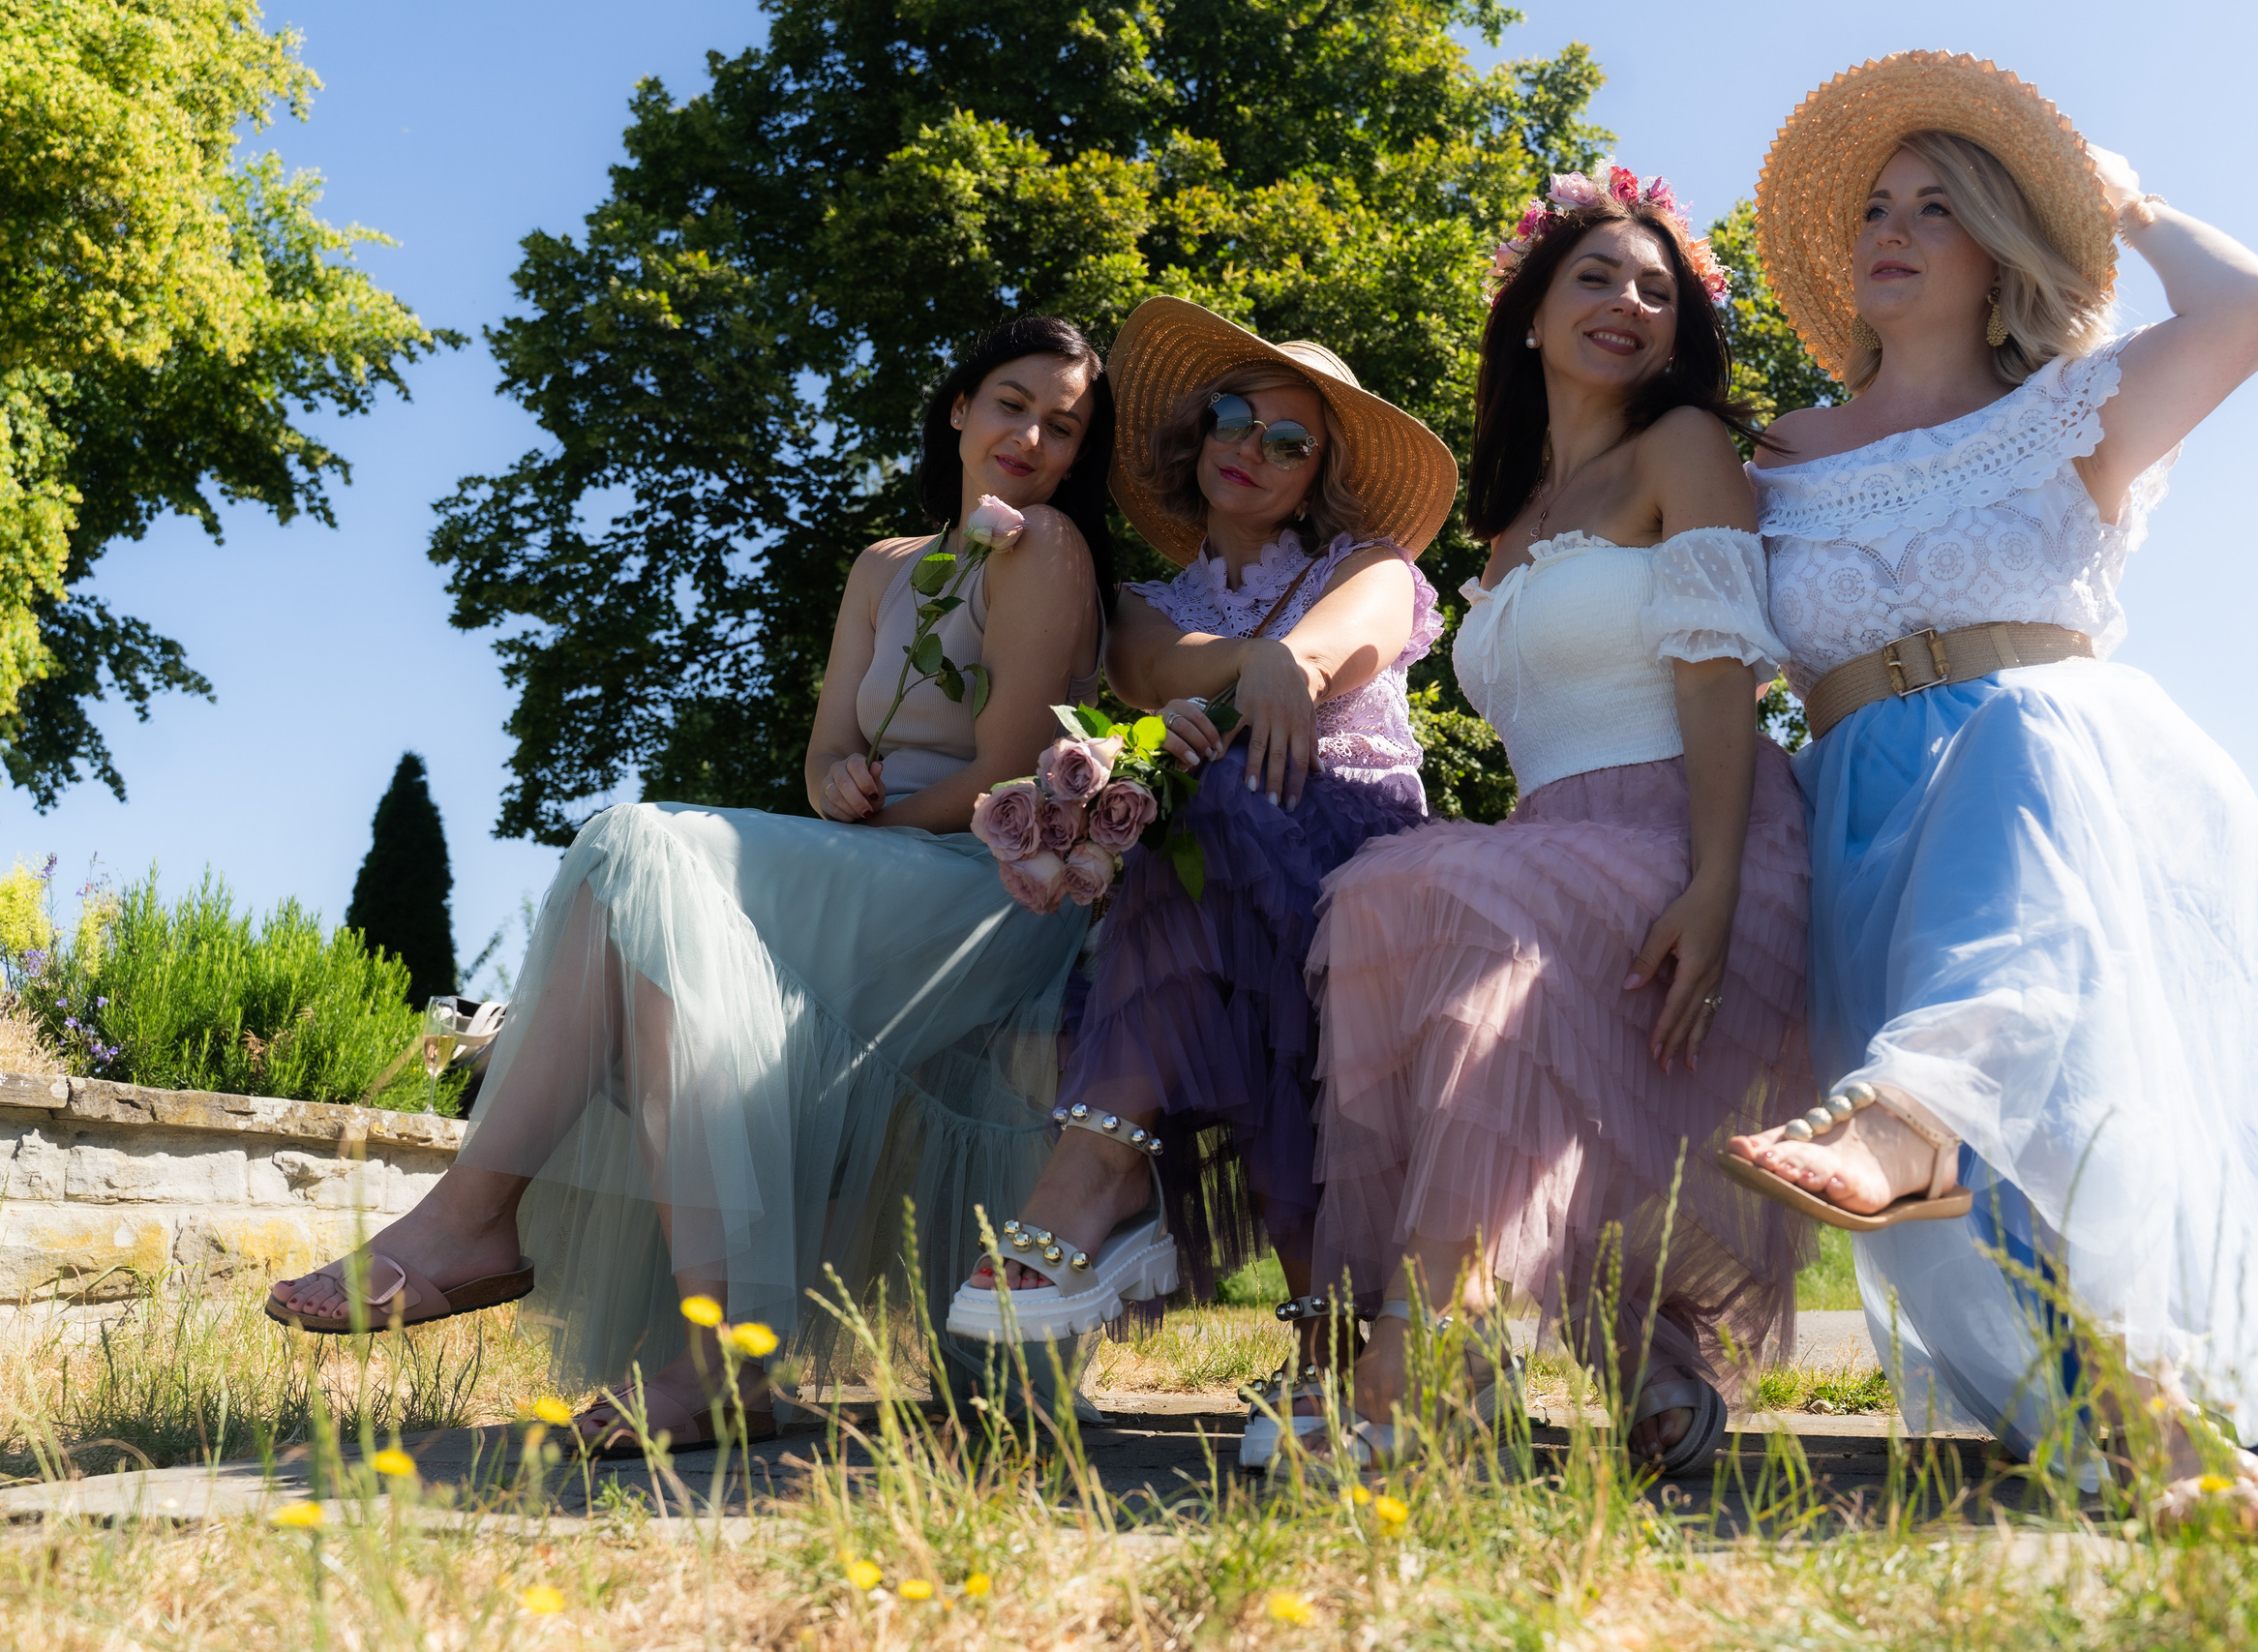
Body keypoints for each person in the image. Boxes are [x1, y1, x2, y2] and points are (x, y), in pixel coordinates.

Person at [1723, 51, 2258, 1517]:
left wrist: (2122, 202)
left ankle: (2116, 1363)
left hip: (2078, 793)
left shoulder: (2075, 408)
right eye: (1876, 204)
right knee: (2001, 1080)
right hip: (1869, 824)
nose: (1890, 226)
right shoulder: (1776, 459)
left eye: (1937, 206)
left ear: (2000, 246)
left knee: (2025, 753)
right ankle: (2115, 1400)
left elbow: (2252, 311)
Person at [268, 316, 1116, 1452]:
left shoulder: (1044, 547)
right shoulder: (882, 568)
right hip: (876, 858)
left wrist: (882, 812)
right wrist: (840, 786)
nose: (1031, 436)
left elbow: (1006, 773)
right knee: (648, 909)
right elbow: (821, 757)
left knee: (640, 846)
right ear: (958, 408)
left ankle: (475, 1224)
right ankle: (725, 1363)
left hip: (983, 889)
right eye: (1012, 402)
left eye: (1063, 427)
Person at [1285, 164, 1814, 1472]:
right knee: (1389, 900)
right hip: (1551, 836)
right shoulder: (1505, 520)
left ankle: (1412, 1377)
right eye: (1597, 276)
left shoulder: (1679, 451)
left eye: (1659, 289)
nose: (1630, 302)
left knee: (1474, 934)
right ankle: (1641, 1360)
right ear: (1531, 310)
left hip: (1699, 829)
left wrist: (1713, 880)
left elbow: (1717, 667)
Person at [946, 298, 1457, 1432]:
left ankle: (1091, 1179)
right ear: (1196, 433)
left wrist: (1279, 667)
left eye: (1290, 441)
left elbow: (1336, 645)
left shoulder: (1369, 563)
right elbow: (1150, 664)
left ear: (1319, 472)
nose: (1252, 450)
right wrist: (1247, 667)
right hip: (1220, 877)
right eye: (1235, 417)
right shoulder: (1142, 601)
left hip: (1358, 857)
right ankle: (1321, 1352)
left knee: (1217, 811)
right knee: (1211, 846)